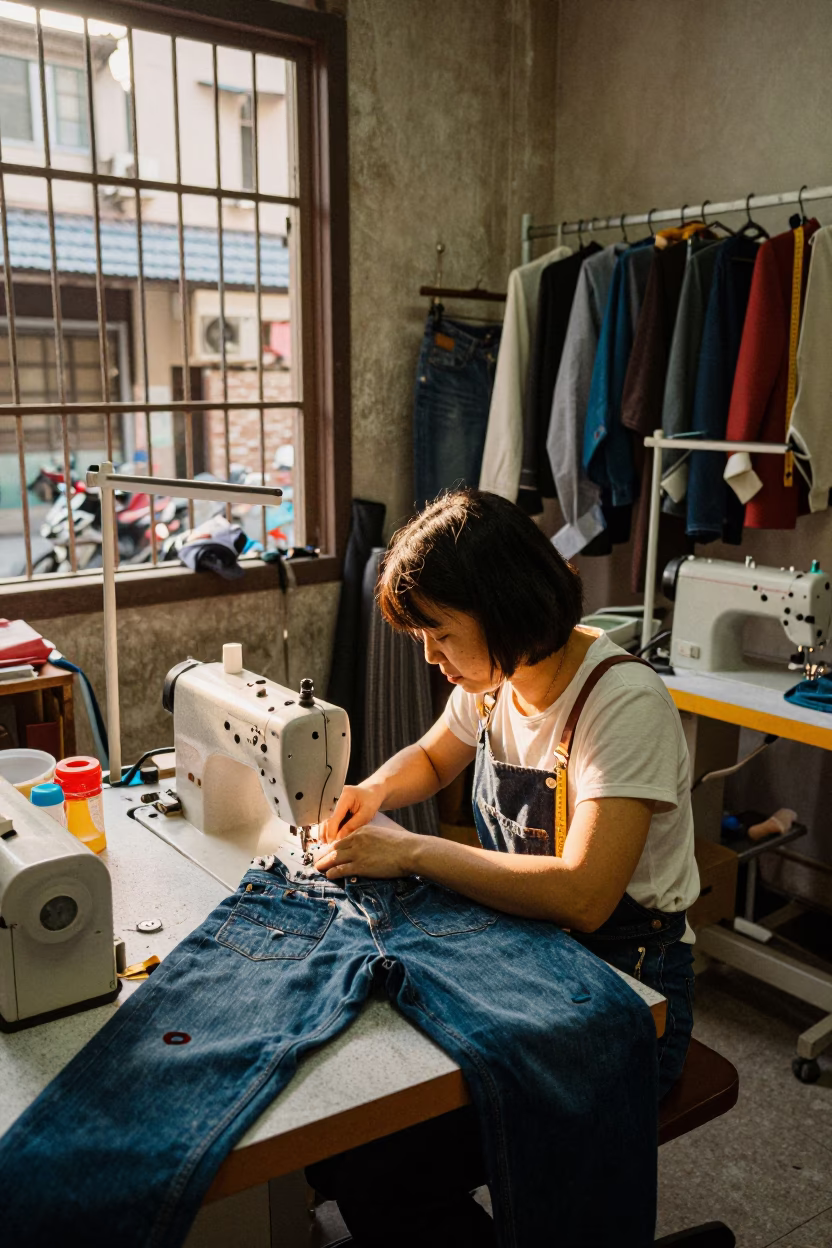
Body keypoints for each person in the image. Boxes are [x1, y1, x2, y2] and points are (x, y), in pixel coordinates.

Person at [308, 488, 699, 1247]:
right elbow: (428, 757)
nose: (431, 658)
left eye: (441, 635)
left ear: (506, 607)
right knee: (349, 1130)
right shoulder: (493, 686)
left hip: (626, 994)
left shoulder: (619, 705)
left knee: (377, 1165)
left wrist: (412, 850)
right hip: (524, 960)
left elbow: (586, 896)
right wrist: (371, 792)